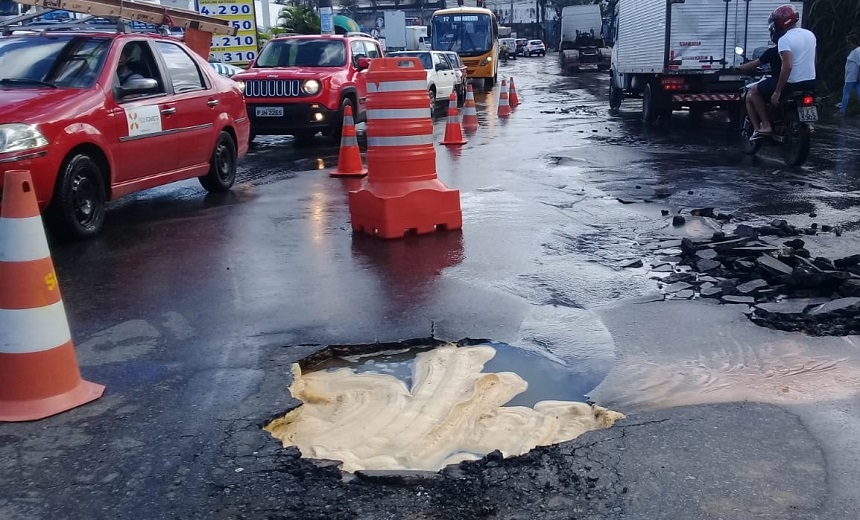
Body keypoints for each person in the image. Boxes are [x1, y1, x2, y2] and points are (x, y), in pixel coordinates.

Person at [749, 4, 817, 139]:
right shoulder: (810, 34)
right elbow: (814, 61)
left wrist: (777, 92)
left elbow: (787, 67)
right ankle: (807, 123)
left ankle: (766, 125)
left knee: (754, 92)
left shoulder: (785, 39)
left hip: (791, 83)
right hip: (810, 82)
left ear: (781, 22)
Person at [737, 29, 782, 133]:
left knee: (752, 92)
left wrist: (738, 68)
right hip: (804, 83)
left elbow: (754, 64)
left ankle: (763, 126)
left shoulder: (773, 52)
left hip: (781, 82)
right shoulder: (796, 50)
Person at [837, 33, 860, 116]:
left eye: (849, 43)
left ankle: (842, 111)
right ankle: (842, 110)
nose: (848, 45)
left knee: (846, 93)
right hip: (851, 77)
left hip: (852, 77)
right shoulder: (855, 51)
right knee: (858, 92)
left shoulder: (857, 51)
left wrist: (858, 75)